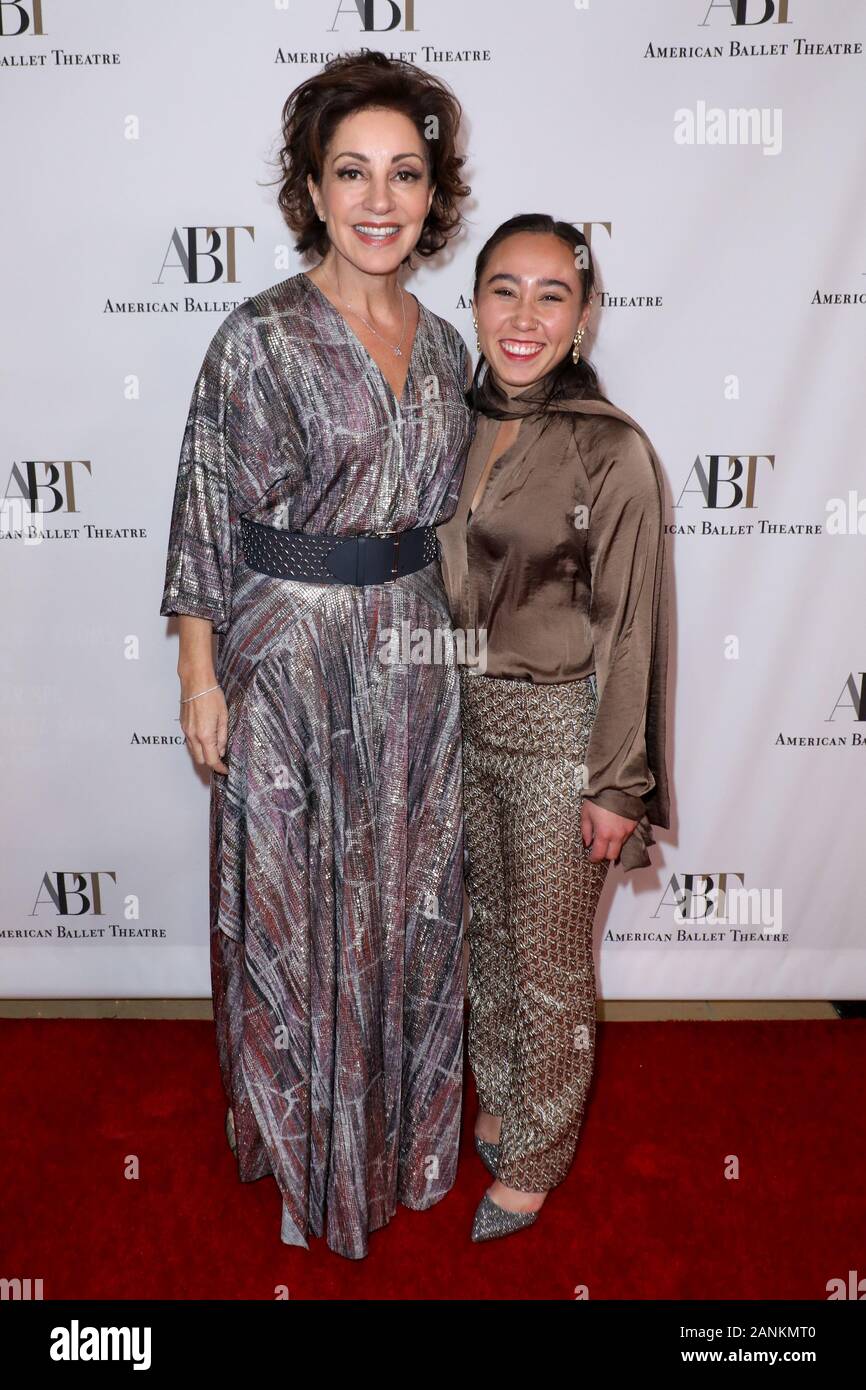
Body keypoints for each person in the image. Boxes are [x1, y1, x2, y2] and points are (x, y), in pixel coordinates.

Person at [159, 51, 474, 1260]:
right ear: (310, 185)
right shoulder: (255, 337)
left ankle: (397, 1141)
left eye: (404, 172)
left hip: (415, 658)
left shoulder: (448, 350)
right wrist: (199, 675)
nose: (379, 198)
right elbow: (202, 516)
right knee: (299, 914)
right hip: (284, 663)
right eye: (352, 172)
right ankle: (305, 1157)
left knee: (408, 903)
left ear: (433, 191)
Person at [436, 214, 671, 1242]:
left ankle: (536, 1155)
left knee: (547, 961)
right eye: (502, 289)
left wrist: (615, 783)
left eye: (550, 295)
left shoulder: (609, 448)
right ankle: (503, 1100)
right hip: (457, 720)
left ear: (582, 316)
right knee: (485, 939)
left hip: (561, 732)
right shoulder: (449, 418)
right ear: (473, 299)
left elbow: (631, 623)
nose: (522, 316)